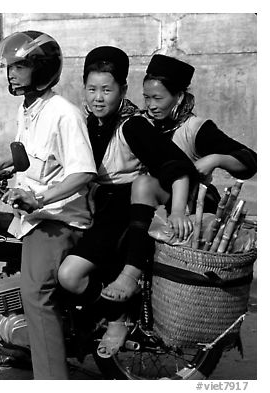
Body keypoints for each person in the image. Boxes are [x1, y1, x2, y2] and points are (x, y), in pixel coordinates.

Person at [56, 46, 198, 358]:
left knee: (70, 274)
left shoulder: (132, 125)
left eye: (107, 90)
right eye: (91, 89)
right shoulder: (88, 122)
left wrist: (176, 211)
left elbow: (175, 168)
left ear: (123, 90)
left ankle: (118, 316)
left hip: (124, 207)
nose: (98, 98)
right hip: (94, 203)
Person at [100, 54, 257, 303]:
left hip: (188, 203)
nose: (151, 105)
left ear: (179, 97)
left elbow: (249, 161)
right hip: (143, 204)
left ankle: (131, 275)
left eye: (158, 98)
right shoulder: (139, 122)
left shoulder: (196, 128)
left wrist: (216, 158)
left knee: (144, 183)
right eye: (147, 98)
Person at [0, 31, 97, 379]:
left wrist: (39, 199)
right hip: (32, 215)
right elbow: (26, 157)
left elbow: (82, 172)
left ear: (42, 68)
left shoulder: (64, 113)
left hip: (59, 220)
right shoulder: (29, 109)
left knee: (35, 294)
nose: (12, 73)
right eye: (10, 66)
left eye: (20, 66)